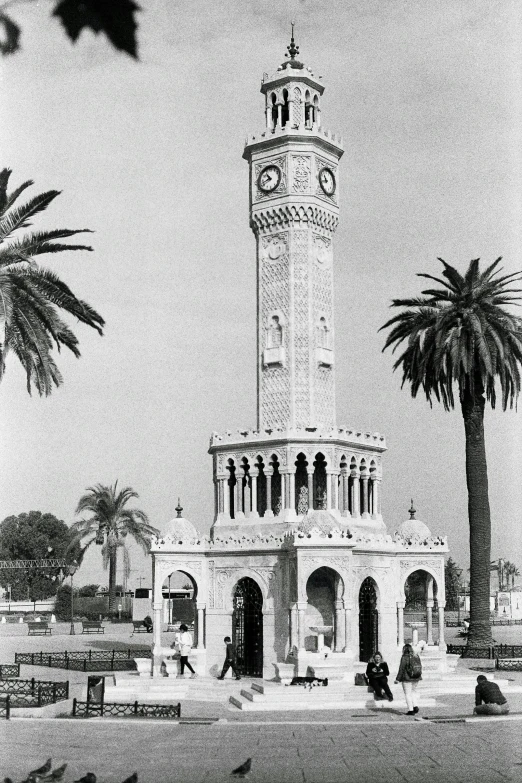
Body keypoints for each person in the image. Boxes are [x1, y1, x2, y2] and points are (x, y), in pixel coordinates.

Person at [395, 642, 422, 715]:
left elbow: (401, 669)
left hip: (407, 678)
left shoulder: (404, 657)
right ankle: (415, 706)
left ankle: (410, 710)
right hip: (416, 677)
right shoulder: (416, 656)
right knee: (413, 692)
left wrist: (397, 679)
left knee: (407, 694)